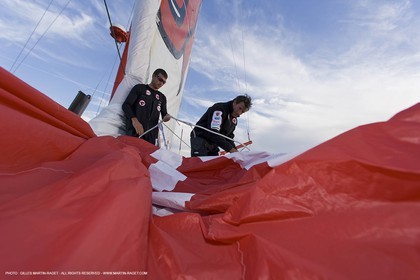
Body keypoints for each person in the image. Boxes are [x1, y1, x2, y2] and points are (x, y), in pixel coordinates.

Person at [122, 68, 171, 145]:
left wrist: (167, 117)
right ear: (153, 76)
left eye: (164, 82)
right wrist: (134, 120)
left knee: (146, 156)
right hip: (135, 131)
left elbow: (164, 115)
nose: (161, 83)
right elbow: (126, 105)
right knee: (131, 154)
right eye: (160, 79)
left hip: (151, 136)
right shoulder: (140, 88)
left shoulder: (162, 97)